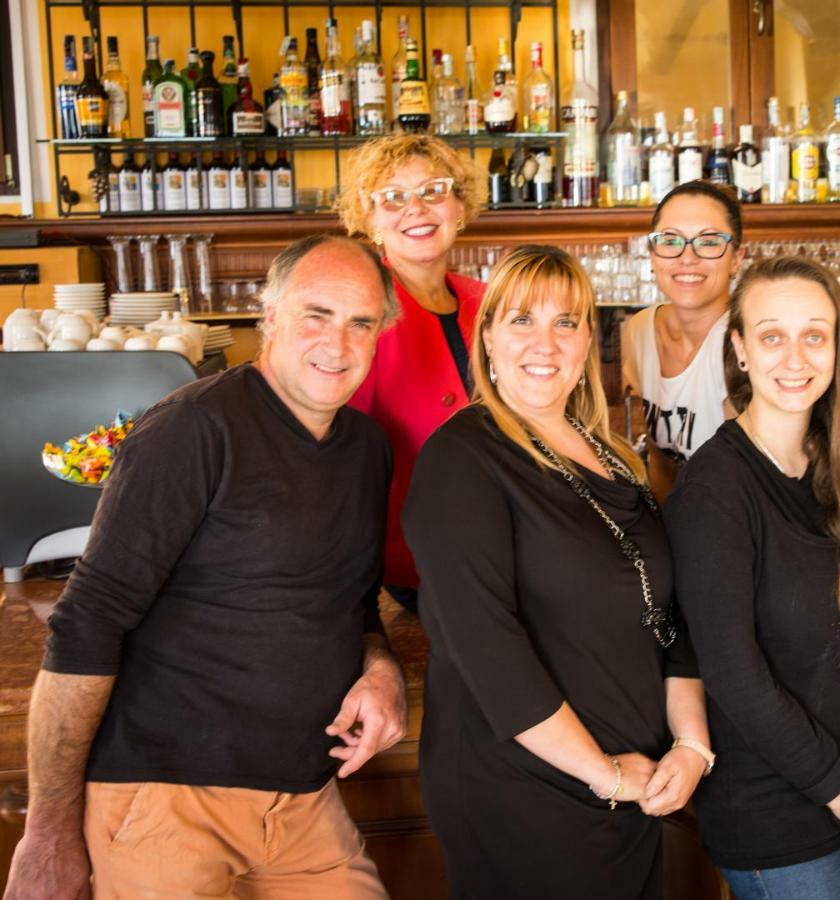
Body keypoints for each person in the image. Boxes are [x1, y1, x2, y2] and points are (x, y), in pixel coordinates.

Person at [4, 235, 408, 900]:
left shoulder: (365, 448)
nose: (338, 344)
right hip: (166, 800)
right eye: (316, 314)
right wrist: (49, 831)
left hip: (303, 800)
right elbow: (85, 623)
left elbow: (354, 604)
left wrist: (382, 668)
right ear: (269, 318)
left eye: (360, 321)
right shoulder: (190, 430)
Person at [404, 245, 711, 899]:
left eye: (566, 322)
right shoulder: (461, 458)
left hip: (632, 783)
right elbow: (486, 646)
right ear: (486, 338)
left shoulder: (618, 456)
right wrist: (603, 775)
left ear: (587, 341)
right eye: (520, 320)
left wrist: (691, 744)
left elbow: (667, 610)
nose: (545, 342)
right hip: (524, 787)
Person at [665, 256, 840, 900]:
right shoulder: (715, 489)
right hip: (774, 809)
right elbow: (734, 678)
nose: (795, 357)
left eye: (814, 335)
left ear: (839, 349)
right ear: (741, 351)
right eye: (771, 335)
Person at [338, 133, 487, 607]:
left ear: (459, 207)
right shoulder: (360, 311)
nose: (416, 208)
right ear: (370, 219)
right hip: (420, 561)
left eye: (433, 191)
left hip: (504, 539)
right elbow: (334, 459)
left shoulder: (489, 301)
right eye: (393, 198)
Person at [621, 181, 745, 499]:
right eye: (670, 240)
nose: (687, 257)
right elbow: (662, 461)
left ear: (736, 258)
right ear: (652, 255)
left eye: (708, 242)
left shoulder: (746, 343)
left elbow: (750, 482)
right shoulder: (639, 331)